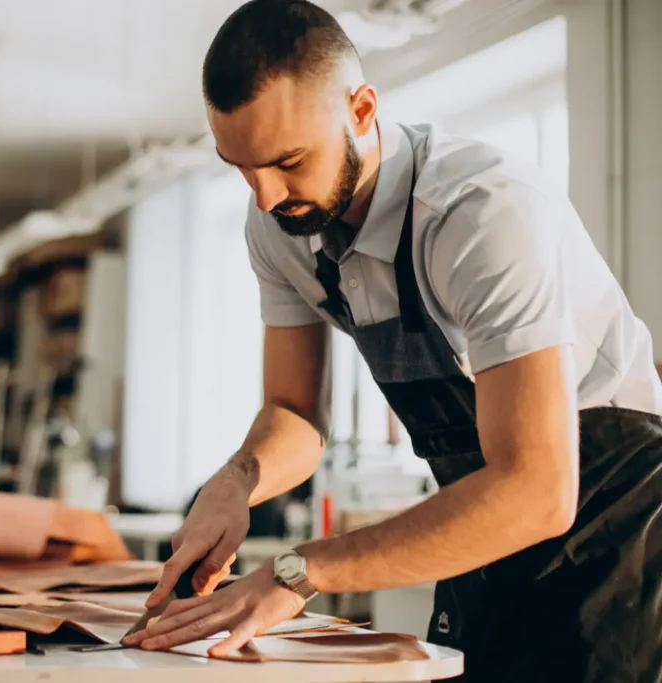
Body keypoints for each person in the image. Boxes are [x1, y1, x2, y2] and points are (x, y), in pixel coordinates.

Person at [121, 1, 662, 680]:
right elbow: (294, 411)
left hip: (613, 528)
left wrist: (298, 570)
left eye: (289, 161)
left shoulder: (480, 212)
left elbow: (536, 489)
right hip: (480, 523)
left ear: (362, 110)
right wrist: (236, 481)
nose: (264, 197)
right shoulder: (280, 226)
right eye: (241, 166)